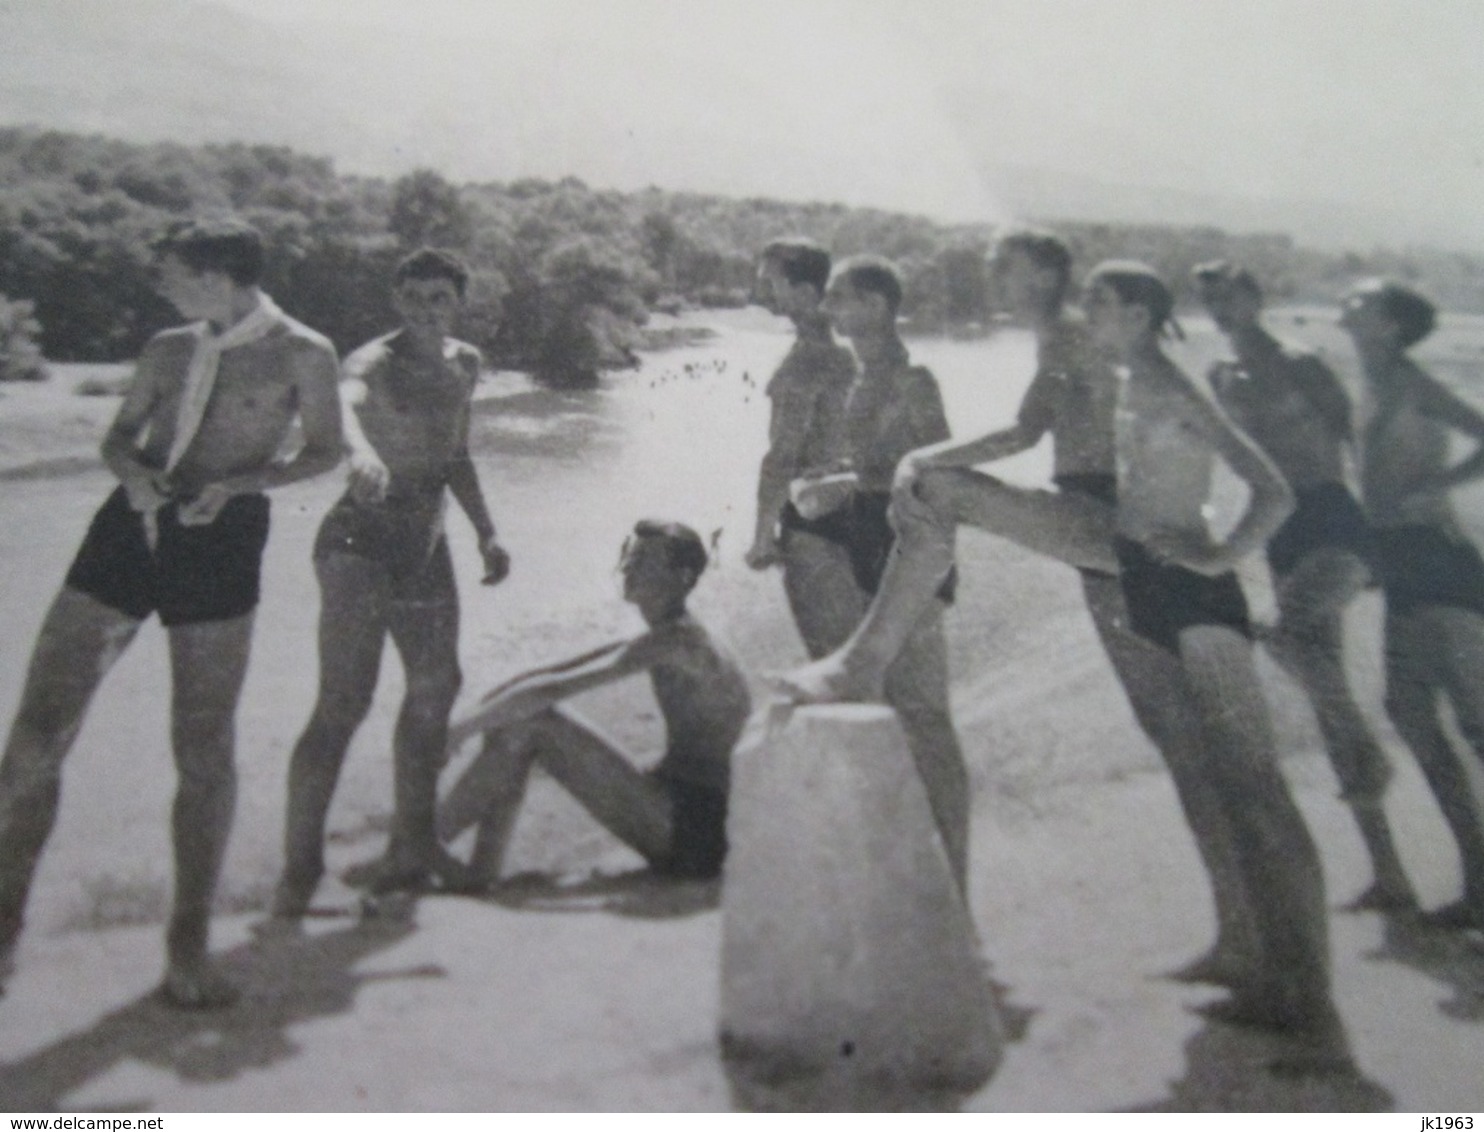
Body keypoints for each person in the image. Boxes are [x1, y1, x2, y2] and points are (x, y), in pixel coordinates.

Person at [782, 261, 1348, 1063]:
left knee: (1254, 790)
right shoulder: (1116, 377)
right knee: (943, 491)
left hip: (1192, 595)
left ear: (1144, 314)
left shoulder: (1176, 383)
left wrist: (1222, 558)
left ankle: (1309, 994)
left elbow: (1274, 488)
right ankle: (864, 655)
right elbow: (1028, 437)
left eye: (1104, 305)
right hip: (1133, 566)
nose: (1090, 314)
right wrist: (923, 458)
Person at [0, 218, 343, 1008]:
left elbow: (326, 451)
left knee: (202, 745)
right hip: (127, 527)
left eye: (171, 271)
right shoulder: (167, 348)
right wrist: (132, 473)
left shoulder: (303, 353)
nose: (160, 283)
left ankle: (187, 949)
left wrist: (240, 485)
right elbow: (118, 438)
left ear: (217, 275)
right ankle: (5, 931)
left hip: (221, 540)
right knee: (35, 736)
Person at [272, 248, 511, 918]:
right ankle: (300, 872)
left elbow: (456, 454)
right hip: (359, 540)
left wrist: (487, 531)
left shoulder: (465, 363)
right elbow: (344, 403)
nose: (424, 310)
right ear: (396, 301)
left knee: (437, 685)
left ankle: (413, 846)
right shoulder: (373, 361)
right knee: (344, 702)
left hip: (424, 541)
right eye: (412, 297)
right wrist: (362, 450)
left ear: (457, 302)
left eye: (438, 298)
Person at [1195, 260, 1414, 912]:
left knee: (1286, 636)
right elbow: (1234, 465)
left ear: (1257, 297)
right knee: (1326, 689)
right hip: (1281, 531)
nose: (1220, 309)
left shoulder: (1302, 361)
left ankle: (1369, 751)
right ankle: (1389, 873)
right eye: (1210, 299)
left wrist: (1393, 526)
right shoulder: (1220, 377)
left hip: (1334, 518)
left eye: (1231, 296)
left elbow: (1358, 444)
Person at [785, 254, 970, 890]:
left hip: (907, 546)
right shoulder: (858, 378)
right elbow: (879, 462)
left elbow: (939, 472)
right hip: (861, 534)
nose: (828, 309)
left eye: (840, 298)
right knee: (871, 707)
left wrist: (851, 483)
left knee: (921, 712)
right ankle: (896, 888)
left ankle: (957, 892)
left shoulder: (913, 377)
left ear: (877, 306)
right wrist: (840, 482)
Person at [436, 521, 751, 886]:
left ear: (682, 577)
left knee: (531, 721)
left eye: (645, 560)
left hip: (697, 834)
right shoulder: (672, 632)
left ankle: (415, 850)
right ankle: (477, 867)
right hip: (690, 814)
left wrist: (457, 731)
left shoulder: (678, 642)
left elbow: (554, 688)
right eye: (630, 555)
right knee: (515, 715)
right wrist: (473, 716)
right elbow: (550, 670)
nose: (629, 568)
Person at [1342, 278, 1484, 931]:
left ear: (1391, 325)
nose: (1348, 307)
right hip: (1400, 562)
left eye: (1361, 302)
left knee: (1475, 723)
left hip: (1440, 559)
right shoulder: (1370, 383)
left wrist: (1439, 484)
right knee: (1411, 713)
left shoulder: (1413, 382)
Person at [745, 238, 862, 658]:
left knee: (827, 655)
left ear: (808, 293)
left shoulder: (804, 362)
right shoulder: (848, 355)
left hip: (812, 524)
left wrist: (761, 537)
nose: (764, 294)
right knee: (853, 653)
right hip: (854, 512)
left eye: (772, 284)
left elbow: (781, 457)